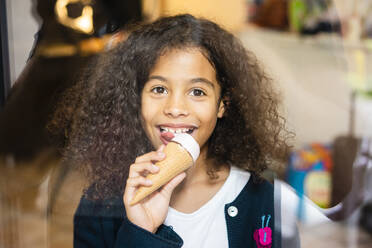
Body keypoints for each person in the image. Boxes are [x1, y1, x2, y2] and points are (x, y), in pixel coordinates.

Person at [69, 14, 292, 248]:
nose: (175, 109)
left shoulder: (266, 203)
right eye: (159, 89)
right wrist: (140, 232)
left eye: (197, 92)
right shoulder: (99, 206)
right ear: (136, 99)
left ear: (222, 104)